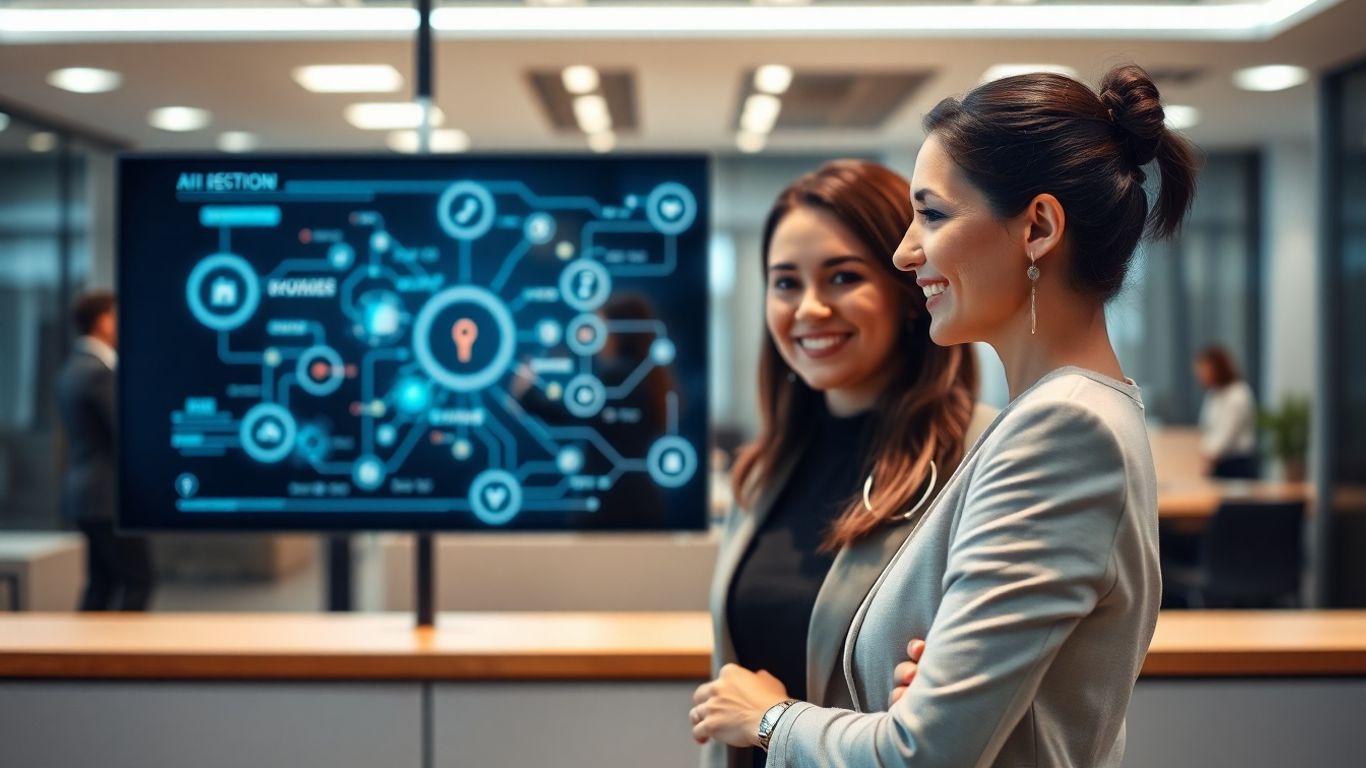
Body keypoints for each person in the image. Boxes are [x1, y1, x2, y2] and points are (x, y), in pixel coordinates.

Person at [691, 64, 1195, 767]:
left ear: (1039, 228)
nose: (906, 252)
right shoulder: (1056, 417)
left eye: (931, 215)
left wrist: (768, 719)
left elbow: (920, 754)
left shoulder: (1063, 429)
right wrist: (927, 689)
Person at [704, 159, 996, 768]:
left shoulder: (984, 456)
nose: (809, 308)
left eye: (842, 277)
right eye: (786, 283)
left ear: (908, 291)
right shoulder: (761, 473)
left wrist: (770, 721)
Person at [57, 291, 155, 611]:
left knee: (102, 584)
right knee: (138, 581)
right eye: (117, 315)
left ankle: (85, 645)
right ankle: (126, 646)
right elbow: (125, 430)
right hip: (107, 496)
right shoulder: (99, 372)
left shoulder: (74, 366)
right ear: (102, 322)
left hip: (87, 493)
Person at [1193, 345, 1258, 479]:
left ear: (1216, 368)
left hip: (1236, 464)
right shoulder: (1213, 394)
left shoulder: (1238, 394)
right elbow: (1204, 428)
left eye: (1203, 370)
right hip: (1216, 462)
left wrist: (1208, 455)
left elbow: (1225, 437)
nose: (1200, 376)